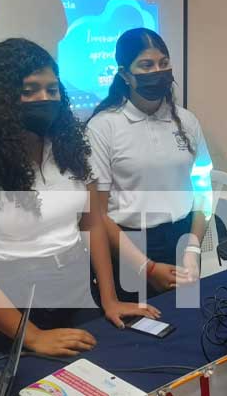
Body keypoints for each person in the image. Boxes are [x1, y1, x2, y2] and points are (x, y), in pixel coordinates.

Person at [0, 39, 158, 358]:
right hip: (9, 305)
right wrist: (34, 336)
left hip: (74, 287)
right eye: (30, 91)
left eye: (52, 90)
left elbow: (92, 222)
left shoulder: (71, 146)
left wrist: (108, 297)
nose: (45, 98)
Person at [87, 28, 212, 301]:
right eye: (146, 65)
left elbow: (203, 189)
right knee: (140, 334)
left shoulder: (187, 121)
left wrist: (193, 248)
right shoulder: (104, 126)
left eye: (163, 63)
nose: (158, 71)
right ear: (124, 74)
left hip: (184, 236)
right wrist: (145, 267)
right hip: (129, 246)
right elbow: (97, 212)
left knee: (187, 326)